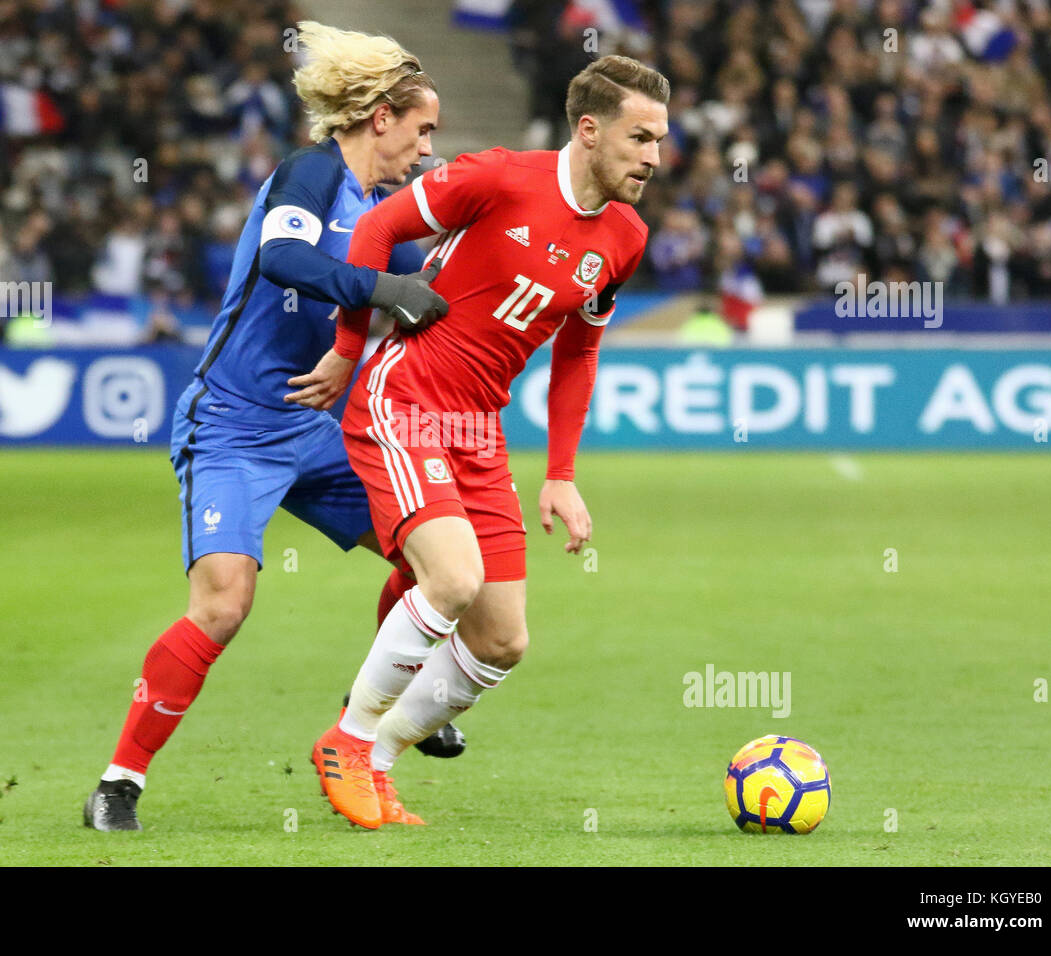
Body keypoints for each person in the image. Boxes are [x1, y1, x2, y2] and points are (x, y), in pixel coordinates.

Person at [83, 21, 459, 832]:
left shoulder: (383, 211)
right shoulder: (312, 172)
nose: (426, 151)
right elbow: (284, 262)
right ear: (378, 116)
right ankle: (118, 783)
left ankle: (372, 698)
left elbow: (390, 299)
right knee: (223, 604)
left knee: (434, 560)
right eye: (421, 129)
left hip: (320, 427)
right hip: (234, 423)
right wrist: (383, 289)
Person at [286, 55, 670, 828]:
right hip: (408, 397)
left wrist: (561, 473)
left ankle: (380, 761)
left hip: (478, 428)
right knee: (453, 581)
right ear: (589, 131)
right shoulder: (497, 177)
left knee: (501, 640)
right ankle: (348, 741)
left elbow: (578, 352)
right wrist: (348, 345)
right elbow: (378, 225)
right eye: (640, 138)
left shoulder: (625, 237)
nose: (654, 158)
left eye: (661, 141)